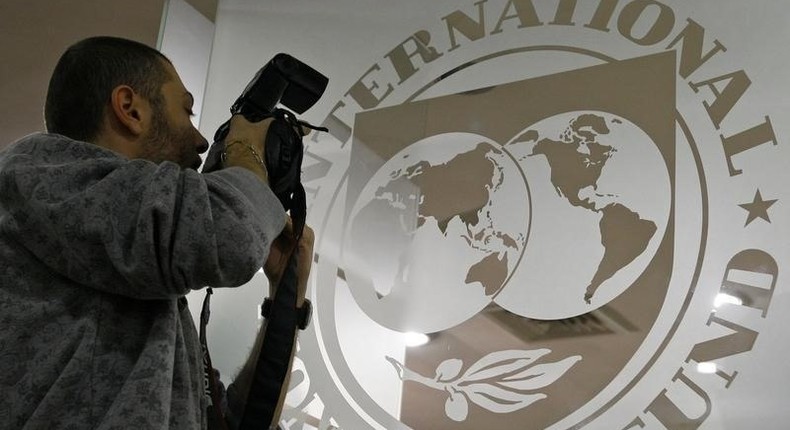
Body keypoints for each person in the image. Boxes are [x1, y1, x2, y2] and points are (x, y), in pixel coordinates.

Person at [0, 36, 313, 429]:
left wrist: (287, 288)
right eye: (186, 111)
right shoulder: (39, 176)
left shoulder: (131, 261)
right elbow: (227, 235)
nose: (201, 140)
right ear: (130, 109)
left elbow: (229, 423)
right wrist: (245, 150)